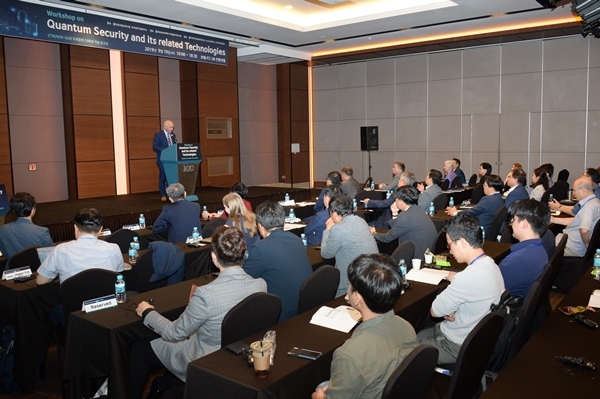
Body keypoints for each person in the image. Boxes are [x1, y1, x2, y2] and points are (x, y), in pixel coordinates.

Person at [129, 226, 267, 399]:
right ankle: (164, 384)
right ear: (244, 254)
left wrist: (148, 313)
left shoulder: (206, 295)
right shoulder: (260, 284)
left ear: (214, 258)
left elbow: (174, 334)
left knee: (139, 348)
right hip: (237, 355)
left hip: (203, 360)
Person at [311, 254, 418, 399]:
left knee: (319, 388)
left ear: (357, 298)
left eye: (350, 285)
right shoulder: (406, 327)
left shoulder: (349, 354)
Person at [417, 213, 504, 364]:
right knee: (415, 336)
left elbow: (435, 311)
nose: (450, 251)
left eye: (450, 245)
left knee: (407, 350)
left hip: (456, 345)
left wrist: (456, 281)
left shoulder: (466, 278)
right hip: (470, 334)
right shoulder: (491, 265)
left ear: (462, 242)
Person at [244, 201, 312, 322]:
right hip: (304, 306)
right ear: (283, 221)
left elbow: (244, 279)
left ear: (260, 225)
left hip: (280, 313)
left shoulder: (260, 248)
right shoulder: (296, 240)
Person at [36, 208, 123, 284]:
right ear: (100, 230)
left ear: (75, 228)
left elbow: (40, 281)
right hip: (108, 300)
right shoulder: (114, 248)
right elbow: (118, 273)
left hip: (73, 302)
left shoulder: (60, 250)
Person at [321, 195, 378, 297]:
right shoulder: (361, 221)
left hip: (351, 283)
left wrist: (327, 230)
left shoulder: (338, 229)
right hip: (370, 277)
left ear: (333, 213)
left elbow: (326, 254)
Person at [499, 199, 550, 297]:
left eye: (513, 220)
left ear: (524, 223)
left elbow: (490, 293)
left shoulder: (517, 260)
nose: (511, 224)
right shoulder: (540, 249)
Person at [370, 186, 437, 261]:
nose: (395, 201)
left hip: (417, 258)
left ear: (401, 202)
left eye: (396, 198)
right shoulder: (418, 209)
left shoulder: (406, 216)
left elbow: (388, 238)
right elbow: (397, 228)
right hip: (426, 254)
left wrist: (374, 233)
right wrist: (394, 212)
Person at [552, 176, 600, 257]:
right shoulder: (595, 202)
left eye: (574, 190)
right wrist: (553, 219)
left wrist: (588, 246)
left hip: (572, 247)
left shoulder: (588, 207)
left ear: (583, 190)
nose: (573, 193)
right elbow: (577, 220)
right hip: (573, 244)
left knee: (543, 247)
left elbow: (584, 230)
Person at [0, 192, 53, 266]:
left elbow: (4, 253)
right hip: (36, 272)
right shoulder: (42, 232)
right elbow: (50, 257)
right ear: (33, 210)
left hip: (11, 272)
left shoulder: (3, 230)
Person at [153, 120, 178, 201]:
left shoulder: (173, 135)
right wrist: (165, 150)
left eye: (173, 127)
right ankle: (163, 194)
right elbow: (155, 147)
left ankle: (170, 194)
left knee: (170, 177)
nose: (172, 129)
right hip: (162, 160)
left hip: (171, 160)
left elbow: (174, 146)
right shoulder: (158, 135)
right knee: (163, 177)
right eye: (170, 127)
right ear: (165, 127)